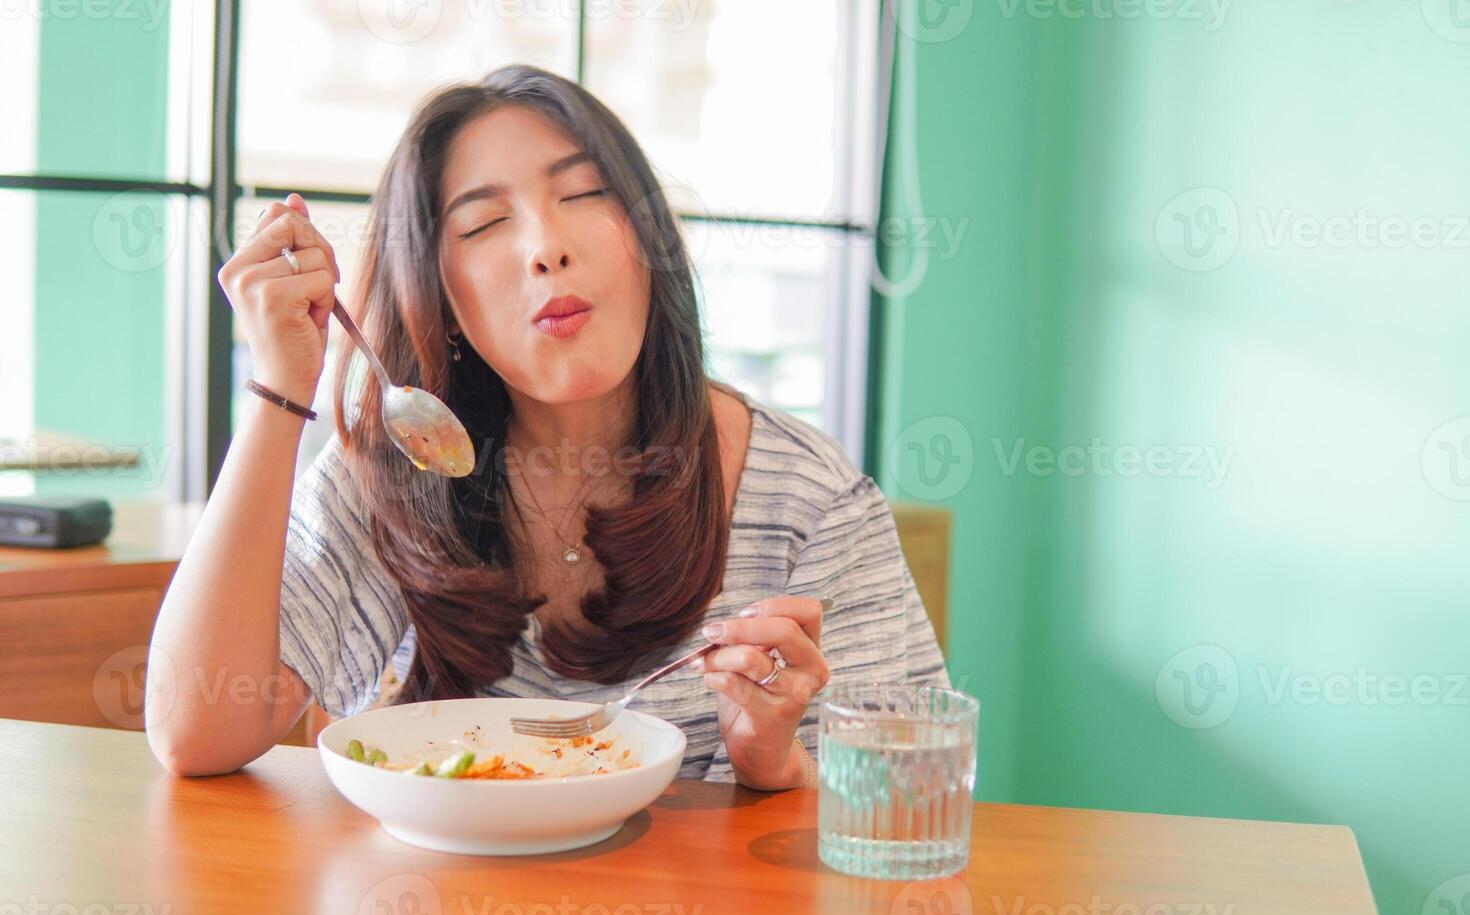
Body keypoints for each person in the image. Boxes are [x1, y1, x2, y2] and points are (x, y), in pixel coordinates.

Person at [146, 64, 948, 788]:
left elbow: (911, 797)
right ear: (443, 298)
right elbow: (194, 732)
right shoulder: (396, 471)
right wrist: (281, 390)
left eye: (586, 194)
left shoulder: (808, 499)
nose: (546, 247)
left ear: (648, 241)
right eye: (483, 224)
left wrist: (779, 768)